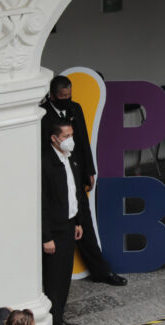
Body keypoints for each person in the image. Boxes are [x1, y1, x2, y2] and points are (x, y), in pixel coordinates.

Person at [39, 76, 127, 289]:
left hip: (76, 173)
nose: (66, 100)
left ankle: (101, 270)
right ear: (52, 95)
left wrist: (89, 169)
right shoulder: (42, 114)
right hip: (56, 176)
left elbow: (83, 141)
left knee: (84, 224)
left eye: (69, 96)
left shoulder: (75, 109)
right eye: (62, 98)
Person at [42, 117, 88, 325]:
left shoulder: (69, 158)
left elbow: (74, 191)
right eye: (65, 136)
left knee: (64, 279)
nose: (70, 140)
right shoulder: (46, 163)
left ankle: (59, 319)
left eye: (71, 135)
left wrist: (77, 221)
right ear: (54, 138)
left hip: (69, 225)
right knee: (54, 283)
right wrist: (46, 236)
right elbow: (42, 203)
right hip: (54, 231)